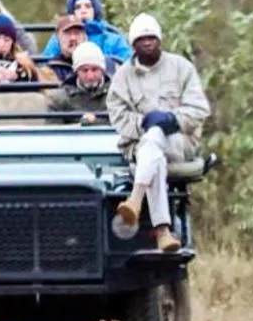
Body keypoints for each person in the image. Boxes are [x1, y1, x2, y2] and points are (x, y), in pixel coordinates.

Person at [106, 13, 208, 254]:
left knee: (154, 140)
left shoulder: (181, 67)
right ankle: (163, 232)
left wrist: (172, 119)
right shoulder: (122, 77)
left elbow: (200, 109)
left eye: (152, 38)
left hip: (179, 142)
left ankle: (135, 199)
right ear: (133, 45)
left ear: (160, 40)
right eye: (141, 39)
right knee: (153, 151)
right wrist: (143, 123)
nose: (148, 43)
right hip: (140, 145)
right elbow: (117, 116)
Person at [0, 14, 55, 85]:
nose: (1, 44)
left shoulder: (23, 64)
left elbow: (38, 87)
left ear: (12, 43)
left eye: (7, 40)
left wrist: (17, 79)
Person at [54, 0, 131, 64]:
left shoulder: (114, 40)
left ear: (95, 9)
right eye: (78, 7)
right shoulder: (60, 38)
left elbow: (128, 66)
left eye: (88, 6)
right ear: (72, 11)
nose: (83, 11)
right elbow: (46, 62)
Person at [47, 41, 113, 123]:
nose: (90, 76)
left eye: (94, 69)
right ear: (76, 71)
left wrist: (96, 122)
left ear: (103, 70)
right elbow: (54, 133)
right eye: (84, 70)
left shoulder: (117, 94)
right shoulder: (59, 99)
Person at [39, 13, 95, 79]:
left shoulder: (97, 65)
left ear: (85, 37)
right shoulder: (50, 71)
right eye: (67, 33)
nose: (73, 38)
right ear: (58, 37)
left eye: (77, 33)